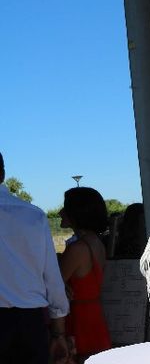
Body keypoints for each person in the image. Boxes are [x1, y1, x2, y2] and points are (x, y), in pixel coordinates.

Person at [0, 152, 69, 364]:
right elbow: (51, 276)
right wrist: (58, 332)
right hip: (29, 324)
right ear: (2, 173)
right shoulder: (33, 215)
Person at [58, 187, 112, 362]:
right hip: (94, 315)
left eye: (65, 207)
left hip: (79, 318)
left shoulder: (78, 248)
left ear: (77, 213)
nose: (60, 212)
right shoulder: (96, 243)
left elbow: (52, 284)